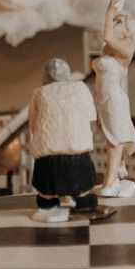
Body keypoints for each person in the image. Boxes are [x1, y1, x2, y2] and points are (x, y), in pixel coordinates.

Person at [27, 57, 99, 223]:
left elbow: (33, 125)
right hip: (78, 151)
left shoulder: (39, 93)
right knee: (83, 191)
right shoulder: (81, 88)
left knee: (46, 194)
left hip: (48, 156)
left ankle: (48, 202)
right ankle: (83, 200)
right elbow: (91, 117)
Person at [93, 0, 135, 198]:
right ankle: (120, 168)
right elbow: (106, 36)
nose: (115, 22)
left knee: (116, 141)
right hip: (103, 100)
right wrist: (112, 10)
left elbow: (106, 35)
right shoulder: (108, 51)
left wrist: (111, 8)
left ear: (128, 31)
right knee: (110, 139)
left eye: (121, 21)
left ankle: (110, 182)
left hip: (114, 99)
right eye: (116, 20)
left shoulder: (125, 52)